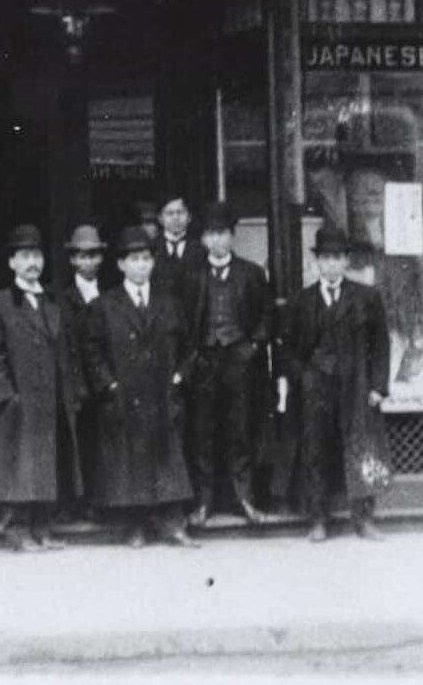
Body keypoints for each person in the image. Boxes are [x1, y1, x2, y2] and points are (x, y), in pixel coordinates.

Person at [84, 226, 198, 548]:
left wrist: (179, 378)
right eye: (134, 259)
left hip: (162, 394)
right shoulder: (105, 306)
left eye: (146, 258)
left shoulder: (169, 303)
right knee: (128, 462)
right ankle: (134, 525)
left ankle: (173, 524)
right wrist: (109, 384)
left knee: (168, 459)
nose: (141, 265)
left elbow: (189, 347)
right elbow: (91, 351)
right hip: (125, 394)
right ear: (121, 265)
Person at [0, 223, 83, 553]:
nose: (32, 262)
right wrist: (7, 397)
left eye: (36, 255)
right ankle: (17, 530)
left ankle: (43, 527)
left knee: (45, 465)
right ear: (12, 263)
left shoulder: (54, 303)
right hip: (17, 401)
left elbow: (67, 352)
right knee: (16, 465)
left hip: (50, 400)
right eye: (24, 256)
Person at [283, 225, 392, 542]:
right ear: (317, 262)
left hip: (356, 387)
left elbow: (381, 345)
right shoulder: (301, 301)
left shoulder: (366, 297)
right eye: (325, 258)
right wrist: (301, 378)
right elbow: (288, 349)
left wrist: (377, 387)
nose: (331, 265)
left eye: (337, 258)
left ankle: (364, 518)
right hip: (316, 388)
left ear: (347, 261)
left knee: (361, 449)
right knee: (315, 451)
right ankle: (318, 519)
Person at [182, 201, 271, 527]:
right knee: (202, 432)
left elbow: (265, 316)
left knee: (240, 430)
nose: (216, 241)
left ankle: (245, 499)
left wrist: (252, 346)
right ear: (203, 240)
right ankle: (203, 502)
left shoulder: (251, 273)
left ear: (232, 236)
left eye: (222, 234)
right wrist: (194, 356)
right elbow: (183, 320)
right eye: (210, 235)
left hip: (240, 362)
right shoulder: (192, 276)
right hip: (205, 360)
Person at [53, 223, 109, 517]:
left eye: (93, 255)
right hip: (76, 385)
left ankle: (101, 502)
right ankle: (75, 502)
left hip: (106, 383)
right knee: (76, 444)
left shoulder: (111, 295)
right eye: (82, 256)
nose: (88, 261)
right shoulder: (60, 299)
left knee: (105, 443)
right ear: (73, 260)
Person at [150, 194, 205, 306]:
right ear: (160, 219)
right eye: (170, 213)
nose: (176, 217)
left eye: (180, 212)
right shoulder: (151, 249)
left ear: (189, 217)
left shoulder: (202, 250)